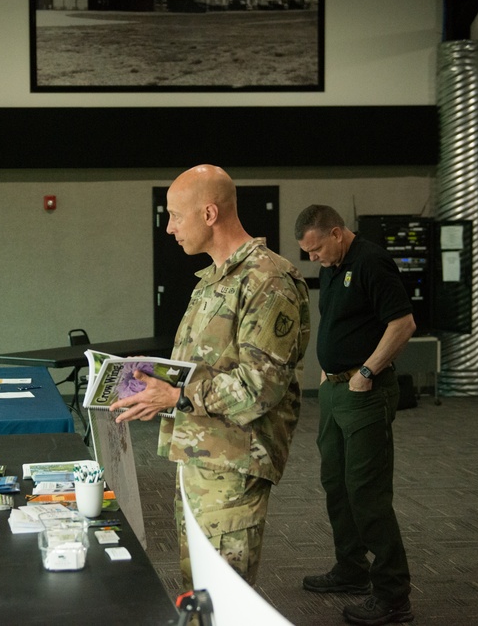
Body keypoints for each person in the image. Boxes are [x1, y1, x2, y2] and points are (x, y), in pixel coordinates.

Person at [110, 164, 310, 589]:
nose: (169, 228)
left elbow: (261, 387)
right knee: (198, 588)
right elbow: (209, 363)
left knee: (222, 595)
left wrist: (177, 395)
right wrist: (156, 374)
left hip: (234, 463)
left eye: (176, 216)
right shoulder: (214, 279)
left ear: (209, 214)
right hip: (201, 457)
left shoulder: (268, 280)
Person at [295, 204, 415, 626]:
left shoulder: (372, 261)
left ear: (337, 233)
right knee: (336, 483)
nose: (313, 259)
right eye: (306, 253)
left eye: (315, 249)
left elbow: (402, 324)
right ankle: (351, 569)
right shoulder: (333, 265)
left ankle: (393, 596)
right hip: (335, 390)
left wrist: (366, 372)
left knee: (367, 493)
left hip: (365, 392)